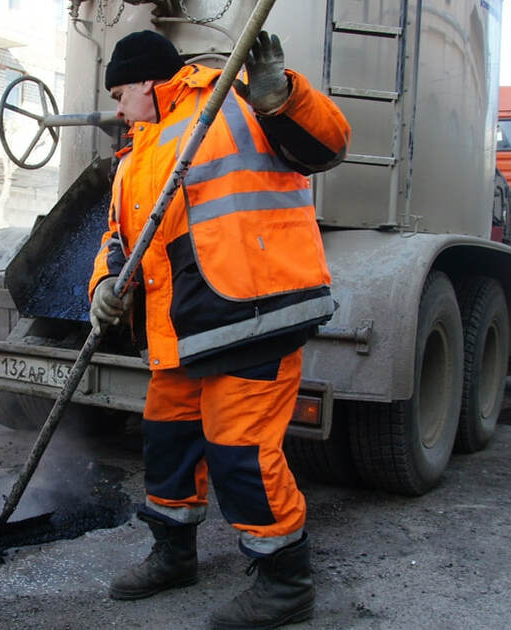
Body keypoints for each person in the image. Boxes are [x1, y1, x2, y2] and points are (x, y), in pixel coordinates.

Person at [89, 30, 351, 629]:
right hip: (183, 328)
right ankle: (173, 554)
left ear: (146, 82)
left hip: (253, 313)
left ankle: (286, 583)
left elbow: (328, 145)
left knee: (241, 453)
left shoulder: (231, 101)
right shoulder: (135, 155)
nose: (118, 110)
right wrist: (103, 284)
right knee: (168, 442)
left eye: (120, 95)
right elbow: (120, 240)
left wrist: (281, 98)